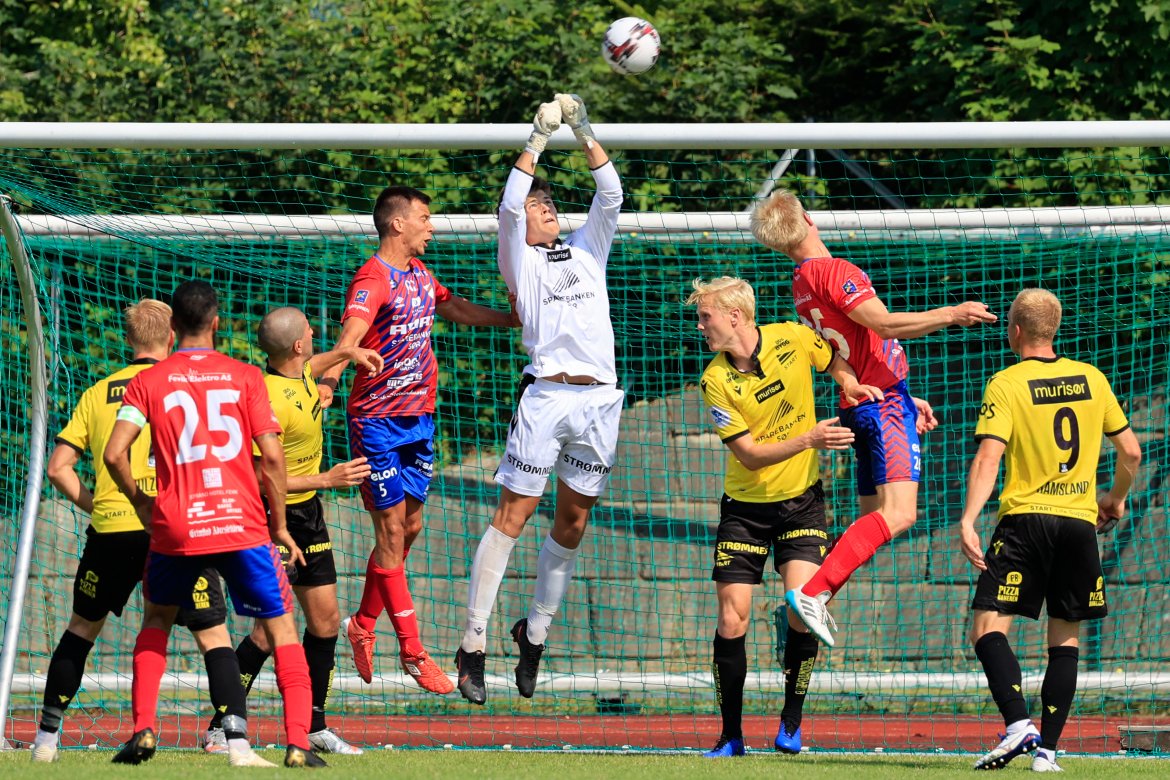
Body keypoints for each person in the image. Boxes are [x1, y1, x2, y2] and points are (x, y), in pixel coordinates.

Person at [750, 189, 998, 646]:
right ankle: (814, 592)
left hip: (867, 403)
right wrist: (951, 313)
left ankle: (814, 597)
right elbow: (881, 324)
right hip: (880, 406)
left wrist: (900, 394)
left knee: (870, 522)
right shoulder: (833, 271)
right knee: (901, 515)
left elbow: (848, 348)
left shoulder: (800, 283)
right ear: (808, 218)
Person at [103, 280, 325, 768]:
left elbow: (114, 453)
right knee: (282, 627)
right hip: (239, 523)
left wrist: (142, 501)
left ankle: (143, 729)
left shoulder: (149, 380)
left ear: (174, 327)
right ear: (217, 323)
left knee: (157, 621)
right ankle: (296, 743)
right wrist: (281, 527)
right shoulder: (246, 377)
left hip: (176, 524)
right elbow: (270, 458)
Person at [452, 93, 626, 705]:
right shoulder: (520, 262)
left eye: (549, 202)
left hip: (600, 402)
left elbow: (611, 197)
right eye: (536, 205)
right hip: (547, 399)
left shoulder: (587, 249)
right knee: (514, 517)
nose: (545, 208)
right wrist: (536, 139)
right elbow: (506, 205)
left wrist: (582, 129)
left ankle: (535, 633)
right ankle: (472, 645)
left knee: (573, 521)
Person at [317, 185, 518, 694]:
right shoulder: (372, 277)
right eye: (425, 218)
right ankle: (412, 652)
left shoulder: (421, 275)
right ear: (397, 225)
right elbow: (350, 338)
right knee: (388, 535)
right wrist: (329, 381)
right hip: (377, 422)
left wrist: (510, 318)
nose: (432, 226)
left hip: (420, 420)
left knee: (409, 530)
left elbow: (455, 309)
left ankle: (363, 624)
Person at [32, 300, 242, 763]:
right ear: (172, 336)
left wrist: (99, 502)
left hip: (111, 530)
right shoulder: (181, 385)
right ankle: (233, 740)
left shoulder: (98, 392)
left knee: (82, 630)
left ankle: (46, 740)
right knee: (212, 634)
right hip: (175, 528)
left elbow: (57, 468)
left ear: (129, 340)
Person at [687, 276, 882, 757]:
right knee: (733, 619)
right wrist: (810, 440)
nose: (700, 325)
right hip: (745, 511)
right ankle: (731, 736)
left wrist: (848, 382)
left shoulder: (793, 337)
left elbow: (831, 357)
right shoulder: (715, 379)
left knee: (803, 607)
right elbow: (750, 455)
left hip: (802, 503)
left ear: (735, 316)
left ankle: (791, 722)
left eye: (705, 316)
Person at [958, 289, 1140, 772]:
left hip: (1026, 521)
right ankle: (1048, 755)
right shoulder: (1092, 378)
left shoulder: (1007, 382)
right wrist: (1115, 498)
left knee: (985, 628)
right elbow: (1132, 453)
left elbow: (989, 456)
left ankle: (1018, 725)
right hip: (1079, 524)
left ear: (1015, 330)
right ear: (1053, 330)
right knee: (1065, 640)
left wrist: (969, 519)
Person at [199, 306, 382, 755]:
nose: (315, 330)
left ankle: (315, 724)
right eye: (309, 330)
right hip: (270, 517)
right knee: (266, 631)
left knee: (323, 623)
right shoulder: (269, 399)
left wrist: (349, 352)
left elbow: (315, 367)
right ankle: (221, 726)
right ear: (298, 344)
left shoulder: (298, 369)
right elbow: (263, 475)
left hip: (309, 516)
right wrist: (327, 479)